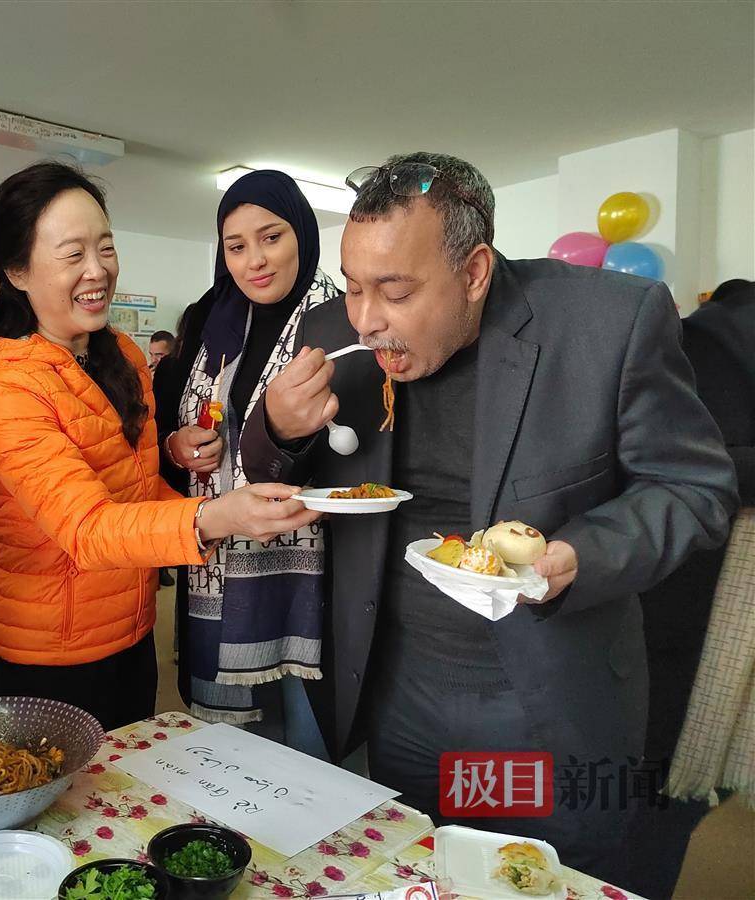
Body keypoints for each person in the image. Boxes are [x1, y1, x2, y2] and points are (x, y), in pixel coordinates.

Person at [241, 151, 738, 883]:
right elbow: (281, 473)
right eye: (353, 286)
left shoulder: (607, 322)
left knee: (542, 873)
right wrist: (278, 429)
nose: (367, 318)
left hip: (541, 694)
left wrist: (582, 553)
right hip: (398, 680)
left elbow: (694, 489)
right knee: (424, 862)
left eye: (395, 290)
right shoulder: (332, 327)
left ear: (473, 273)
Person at [0, 161, 320, 731]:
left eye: (106, 247)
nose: (98, 271)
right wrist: (218, 516)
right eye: (73, 255)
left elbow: (134, 484)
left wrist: (172, 452)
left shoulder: (119, 353)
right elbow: (88, 529)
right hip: (53, 649)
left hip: (132, 625)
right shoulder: (8, 384)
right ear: (18, 271)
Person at [161, 171, 340, 755]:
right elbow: (178, 423)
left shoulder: (338, 320)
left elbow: (360, 444)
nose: (254, 261)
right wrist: (178, 444)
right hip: (215, 555)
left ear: (303, 236)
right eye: (236, 247)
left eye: (272, 237)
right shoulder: (212, 320)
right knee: (235, 759)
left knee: (312, 748)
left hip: (313, 567)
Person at [625, 277, 754, 898]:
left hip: (689, 581)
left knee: (658, 753)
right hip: (719, 581)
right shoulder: (713, 340)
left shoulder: (707, 337)